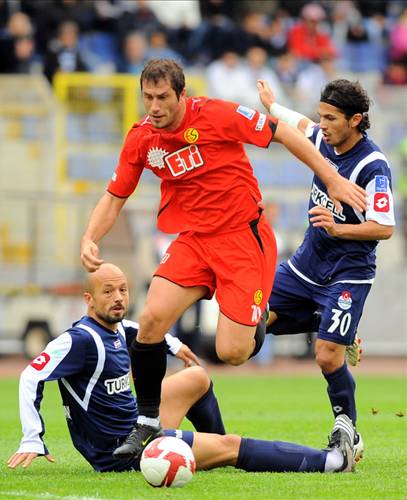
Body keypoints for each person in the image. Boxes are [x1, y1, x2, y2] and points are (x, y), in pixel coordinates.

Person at [80, 58, 367, 460]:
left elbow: (283, 131)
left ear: (182, 94)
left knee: (232, 352)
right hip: (194, 241)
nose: (155, 106)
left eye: (163, 97)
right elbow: (115, 196)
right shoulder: (142, 138)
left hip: (242, 241)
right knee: (150, 320)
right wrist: (91, 237)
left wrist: (333, 178)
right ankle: (146, 422)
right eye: (148, 97)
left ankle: (316, 318)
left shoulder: (215, 114)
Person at [8, 263, 356, 474]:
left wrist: (175, 345)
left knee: (197, 378)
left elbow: (135, 329)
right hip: (123, 451)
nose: (118, 297)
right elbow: (30, 375)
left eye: (124, 290)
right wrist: (32, 437)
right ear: (89, 299)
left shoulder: (115, 329)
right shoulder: (79, 340)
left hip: (136, 425)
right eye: (108, 291)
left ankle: (212, 446)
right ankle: (332, 463)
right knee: (233, 447)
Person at [258, 79, 395, 464]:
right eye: (322, 116)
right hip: (305, 266)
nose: (323, 124)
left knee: (326, 355)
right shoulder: (321, 139)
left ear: (355, 120)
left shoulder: (373, 166)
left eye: (331, 118)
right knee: (250, 326)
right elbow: (299, 125)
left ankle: (347, 429)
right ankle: (333, 323)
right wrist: (273, 106)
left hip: (348, 271)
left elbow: (384, 227)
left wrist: (338, 229)